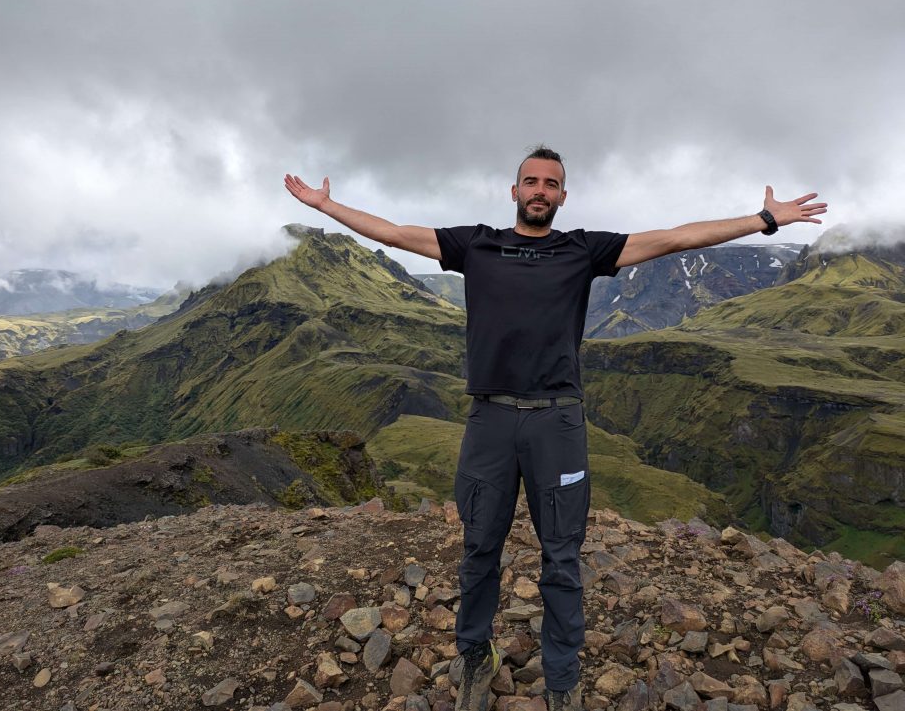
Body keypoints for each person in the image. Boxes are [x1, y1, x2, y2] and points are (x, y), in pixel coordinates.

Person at [284, 146, 825, 711]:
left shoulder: (582, 249)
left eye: (551, 183)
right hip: (489, 419)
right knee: (478, 550)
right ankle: (475, 659)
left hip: (557, 420)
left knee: (562, 558)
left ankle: (562, 682)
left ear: (562, 196)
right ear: (513, 191)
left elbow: (676, 238)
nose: (540, 190)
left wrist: (764, 220)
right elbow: (394, 233)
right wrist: (327, 206)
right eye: (531, 181)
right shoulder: (476, 245)